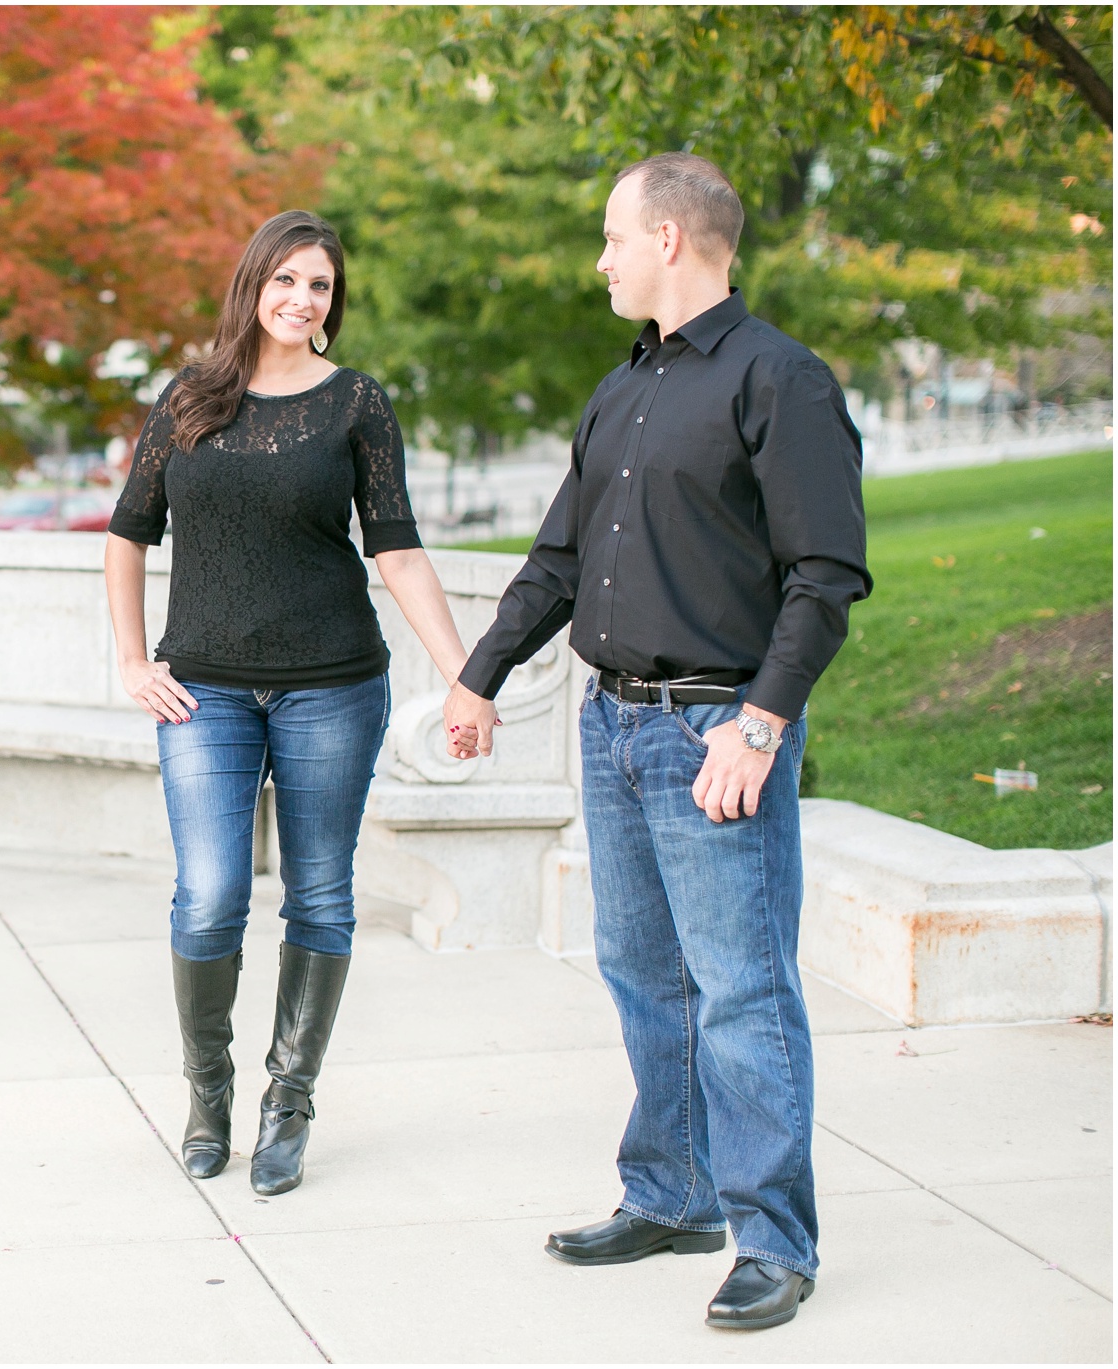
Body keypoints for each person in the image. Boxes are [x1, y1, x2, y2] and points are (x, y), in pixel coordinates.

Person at [443, 152, 870, 1330]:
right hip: (612, 724)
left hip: (714, 733)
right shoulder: (618, 388)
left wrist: (760, 722)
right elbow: (557, 561)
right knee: (642, 977)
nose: (600, 258)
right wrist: (479, 678)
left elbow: (823, 575)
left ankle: (772, 1240)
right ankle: (672, 1194)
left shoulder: (780, 379)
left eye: (611, 238)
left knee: (741, 993)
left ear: (670, 241)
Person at [104, 210, 477, 1196]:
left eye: (318, 284)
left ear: (330, 301)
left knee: (318, 892)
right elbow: (125, 535)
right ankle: (208, 1093)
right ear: (251, 286)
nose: (301, 297)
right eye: (285, 279)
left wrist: (458, 672)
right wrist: (131, 661)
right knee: (211, 891)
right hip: (203, 688)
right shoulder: (187, 399)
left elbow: (393, 546)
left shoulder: (355, 404)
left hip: (333, 686)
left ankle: (288, 1102)